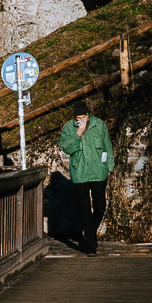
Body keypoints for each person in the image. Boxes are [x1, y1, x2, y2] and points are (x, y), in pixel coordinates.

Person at [57, 99, 113, 254]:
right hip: (80, 173)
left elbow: (107, 145)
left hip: (98, 171)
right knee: (84, 208)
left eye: (84, 117)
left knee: (100, 206)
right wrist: (78, 133)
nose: (81, 120)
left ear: (88, 115)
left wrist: (109, 166)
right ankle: (91, 245)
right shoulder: (69, 128)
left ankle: (89, 232)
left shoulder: (99, 124)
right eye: (78, 118)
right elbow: (67, 148)